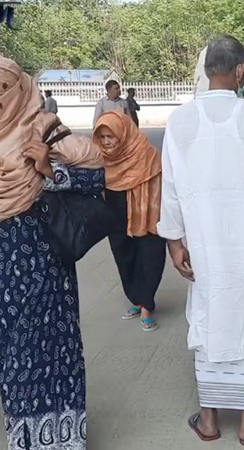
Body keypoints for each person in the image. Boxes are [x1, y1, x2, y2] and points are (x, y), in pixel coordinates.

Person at [0, 56, 105, 450]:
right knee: (10, 364)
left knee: (51, 355)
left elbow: (99, 175)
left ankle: (63, 439)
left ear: (14, 93)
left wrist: (49, 169)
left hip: (42, 270)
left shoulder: (44, 130)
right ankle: (26, 439)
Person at [157, 35, 244, 447]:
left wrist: (174, 241)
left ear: (205, 69)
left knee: (209, 314)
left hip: (201, 242)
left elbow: (171, 188)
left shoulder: (180, 122)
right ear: (240, 72)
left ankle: (210, 420)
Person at [93, 110, 165, 332]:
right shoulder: (99, 158)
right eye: (102, 137)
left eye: (110, 137)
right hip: (115, 215)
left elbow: (161, 187)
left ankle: (147, 305)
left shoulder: (147, 154)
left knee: (149, 257)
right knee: (124, 258)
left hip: (146, 215)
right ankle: (136, 299)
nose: (106, 142)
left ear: (123, 134)